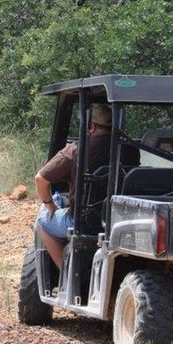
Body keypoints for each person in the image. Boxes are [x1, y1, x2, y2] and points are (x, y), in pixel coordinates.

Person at [34, 103, 112, 269]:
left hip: (84, 222)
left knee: (42, 221)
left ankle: (64, 271)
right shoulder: (130, 150)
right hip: (114, 220)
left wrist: (51, 206)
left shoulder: (76, 150)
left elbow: (41, 180)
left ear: (91, 126)